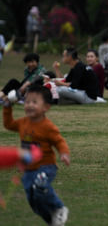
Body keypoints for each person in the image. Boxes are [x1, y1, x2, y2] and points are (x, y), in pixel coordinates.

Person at [3, 84, 71, 225]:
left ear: (46, 107)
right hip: (28, 169)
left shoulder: (48, 126)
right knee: (33, 199)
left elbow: (59, 141)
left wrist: (64, 153)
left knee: (40, 185)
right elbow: (8, 125)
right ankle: (51, 220)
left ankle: (59, 207)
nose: (29, 105)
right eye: (27, 102)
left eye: (34, 102)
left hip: (46, 166)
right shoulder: (23, 123)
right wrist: (7, 107)